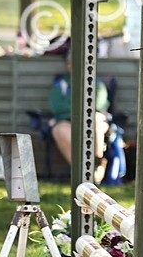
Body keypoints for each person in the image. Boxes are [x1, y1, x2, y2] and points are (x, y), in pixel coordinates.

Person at [48, 48, 112, 179]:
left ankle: (97, 165)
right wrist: (77, 114)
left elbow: (97, 106)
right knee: (59, 129)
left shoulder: (97, 84)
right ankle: (82, 171)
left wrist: (76, 111)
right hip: (69, 122)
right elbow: (57, 108)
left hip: (94, 120)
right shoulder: (61, 85)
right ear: (68, 65)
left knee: (94, 119)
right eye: (71, 63)